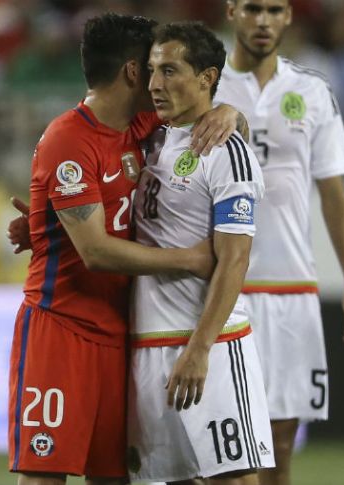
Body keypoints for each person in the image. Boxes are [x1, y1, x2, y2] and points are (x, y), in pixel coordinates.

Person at [7, 12, 246, 485]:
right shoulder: (69, 139)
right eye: (154, 68)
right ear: (133, 72)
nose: (161, 81)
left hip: (124, 332)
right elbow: (95, 251)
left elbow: (205, 102)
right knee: (45, 470)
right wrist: (190, 259)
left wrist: (230, 111)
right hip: (63, 326)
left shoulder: (143, 128)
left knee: (118, 476)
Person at [214, 2, 344, 484]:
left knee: (281, 441)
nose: (263, 20)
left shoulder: (312, 91)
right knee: (223, 447)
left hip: (290, 287)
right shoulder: (206, 83)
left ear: (288, 18)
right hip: (221, 287)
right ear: (233, 12)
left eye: (275, 9)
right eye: (254, 8)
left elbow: (333, 193)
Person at [126, 21, 273, 484]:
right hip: (149, 347)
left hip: (212, 346)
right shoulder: (151, 141)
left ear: (207, 78)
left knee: (234, 478)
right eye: (152, 70)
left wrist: (200, 348)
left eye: (170, 71)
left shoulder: (226, 150)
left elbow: (234, 258)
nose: (155, 84)